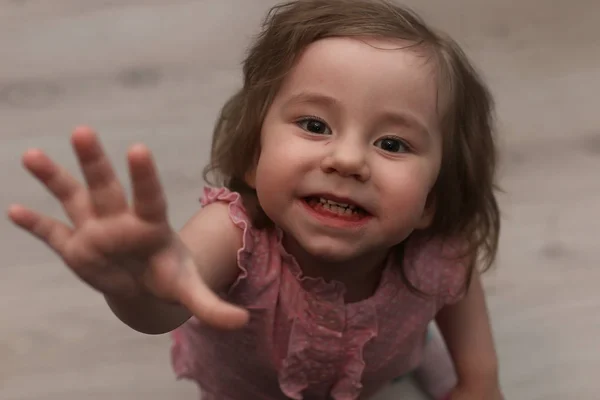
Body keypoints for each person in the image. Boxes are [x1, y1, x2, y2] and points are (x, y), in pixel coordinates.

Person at [7, 0, 504, 399]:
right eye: (315, 125)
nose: (348, 159)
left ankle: (411, 358)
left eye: (392, 144)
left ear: (430, 203)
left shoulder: (440, 250)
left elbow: (467, 329)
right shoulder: (232, 235)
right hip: (247, 390)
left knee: (415, 342)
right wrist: (137, 286)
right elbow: (165, 303)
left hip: (381, 364)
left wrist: (479, 380)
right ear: (253, 155)